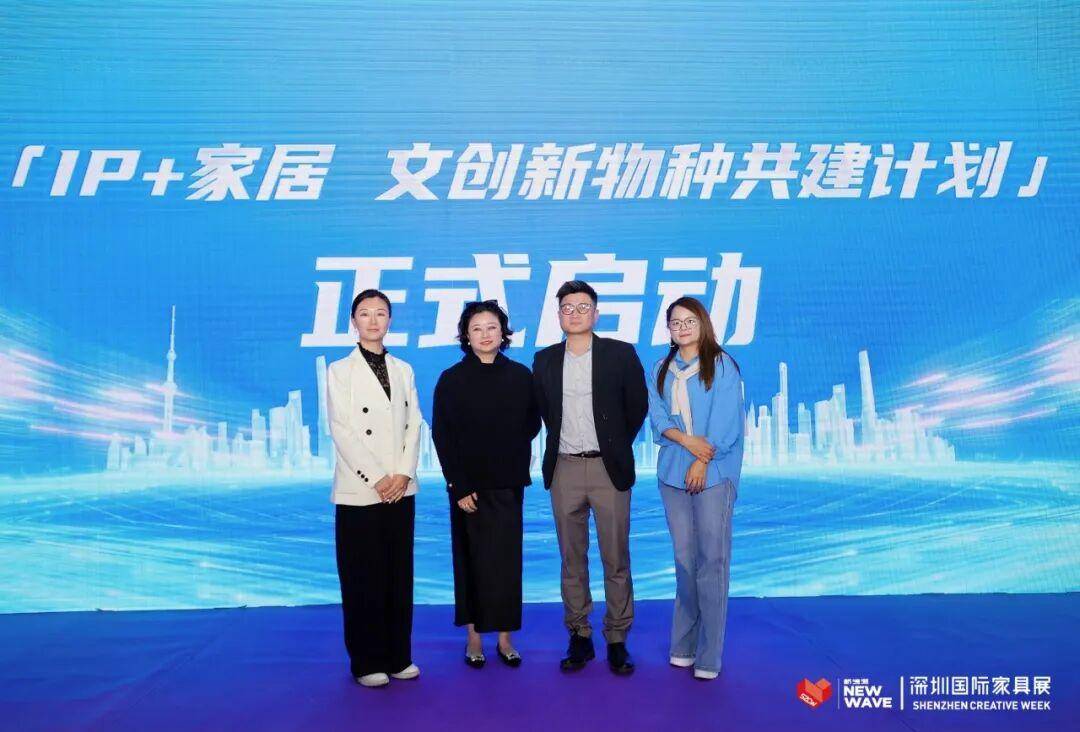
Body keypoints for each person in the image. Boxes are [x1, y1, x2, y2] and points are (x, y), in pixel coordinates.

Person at [532, 280, 649, 675]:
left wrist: (614, 445)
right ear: (558, 315)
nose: (575, 313)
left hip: (607, 468)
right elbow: (542, 411)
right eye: (568, 307)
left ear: (596, 314)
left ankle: (617, 637)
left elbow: (636, 406)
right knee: (572, 559)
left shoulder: (619, 353)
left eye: (583, 307)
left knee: (615, 558)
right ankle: (579, 634)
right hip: (564, 467)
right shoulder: (545, 360)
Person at [432, 300, 540, 669]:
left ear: (503, 332)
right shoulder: (452, 379)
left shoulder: (521, 376)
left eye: (491, 327)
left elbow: (532, 423)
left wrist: (509, 453)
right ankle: (474, 637)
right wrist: (458, 485)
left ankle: (505, 638)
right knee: (471, 562)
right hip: (468, 488)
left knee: (507, 564)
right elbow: (443, 435)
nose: (485, 334)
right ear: (466, 335)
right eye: (476, 328)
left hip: (508, 483)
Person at [326, 288, 423, 688]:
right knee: (362, 577)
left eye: (380, 313)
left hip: (400, 488)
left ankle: (398, 655)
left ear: (389, 320)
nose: (373, 320)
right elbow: (342, 430)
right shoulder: (339, 371)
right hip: (359, 489)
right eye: (364, 313)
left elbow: (414, 424)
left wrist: (402, 474)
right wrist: (378, 479)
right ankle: (366, 661)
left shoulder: (403, 368)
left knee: (398, 574)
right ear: (353, 321)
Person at [647, 296, 744, 681]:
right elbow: (658, 418)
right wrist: (687, 443)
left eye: (690, 320)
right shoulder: (660, 369)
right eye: (676, 322)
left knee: (713, 562)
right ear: (668, 329)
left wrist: (702, 460)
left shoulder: (722, 365)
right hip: (673, 472)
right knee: (685, 562)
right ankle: (683, 646)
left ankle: (709, 655)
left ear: (703, 323)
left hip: (715, 472)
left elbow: (726, 424)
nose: (683, 327)